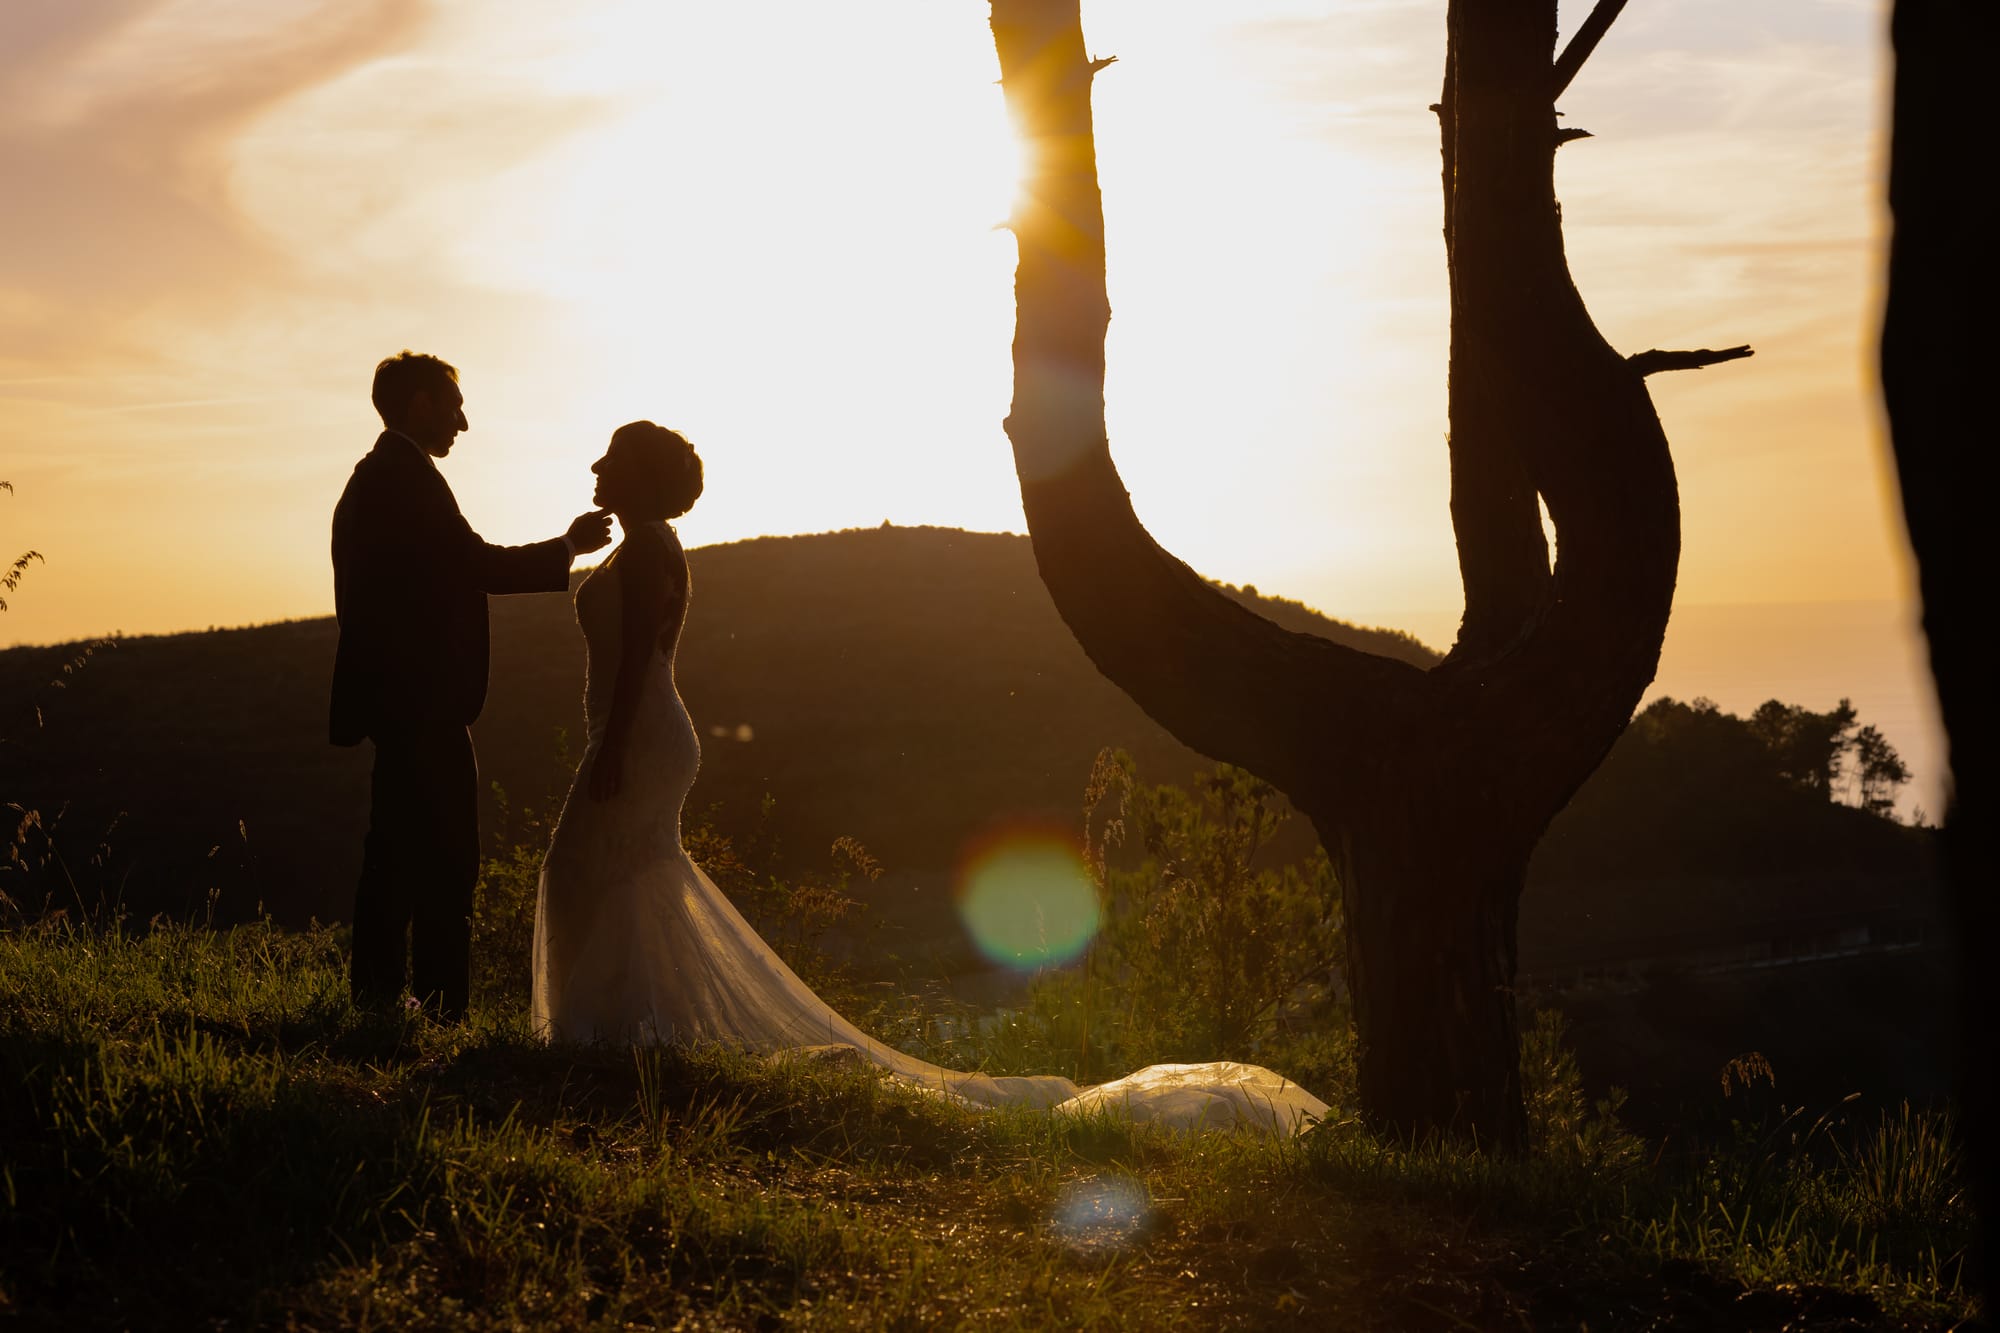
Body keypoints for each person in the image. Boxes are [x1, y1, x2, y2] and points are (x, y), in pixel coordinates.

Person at [530, 422, 1329, 1133]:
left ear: (638, 476)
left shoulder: (643, 551)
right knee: (628, 878)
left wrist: (608, 750)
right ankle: (626, 1034)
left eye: (612, 458)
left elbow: (637, 656)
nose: (596, 465)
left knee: (582, 870)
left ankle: (612, 1035)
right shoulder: (650, 545)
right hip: (649, 733)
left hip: (634, 735)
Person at [331, 351, 612, 1017]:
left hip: (404, 706)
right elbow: (473, 562)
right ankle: (437, 1008)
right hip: (422, 708)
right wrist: (566, 548)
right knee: (445, 864)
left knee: (398, 856)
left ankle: (386, 1002)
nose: (463, 421)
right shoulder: (403, 478)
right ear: (421, 405)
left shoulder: (383, 477)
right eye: (454, 405)